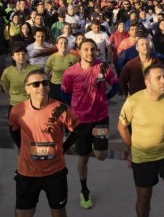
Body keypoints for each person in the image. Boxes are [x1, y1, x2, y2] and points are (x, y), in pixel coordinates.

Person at [117, 63, 164, 217]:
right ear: (147, 83)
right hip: (142, 159)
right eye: (158, 78)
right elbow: (122, 127)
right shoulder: (133, 102)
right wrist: (131, 150)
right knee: (144, 198)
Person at [9, 69, 80, 217]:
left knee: (59, 213)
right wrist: (23, 148)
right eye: (35, 84)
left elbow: (77, 130)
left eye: (45, 83)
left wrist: (63, 148)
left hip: (55, 173)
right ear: (27, 88)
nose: (41, 87)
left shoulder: (62, 109)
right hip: (27, 173)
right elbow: (13, 130)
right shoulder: (17, 110)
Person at [60, 39, 120, 209]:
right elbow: (64, 95)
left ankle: (94, 144)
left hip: (101, 118)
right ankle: (84, 190)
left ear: (97, 51)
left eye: (93, 49)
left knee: (100, 156)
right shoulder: (70, 73)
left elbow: (116, 86)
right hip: (81, 122)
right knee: (83, 158)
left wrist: (104, 99)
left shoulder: (103, 67)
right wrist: (73, 108)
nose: (90, 52)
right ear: (79, 51)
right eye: (85, 49)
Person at [44, 37, 78, 101]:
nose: (63, 45)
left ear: (67, 45)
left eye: (65, 43)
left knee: (67, 107)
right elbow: (46, 72)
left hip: (68, 86)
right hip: (55, 86)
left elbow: (77, 73)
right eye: (61, 43)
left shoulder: (73, 58)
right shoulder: (52, 57)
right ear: (57, 45)